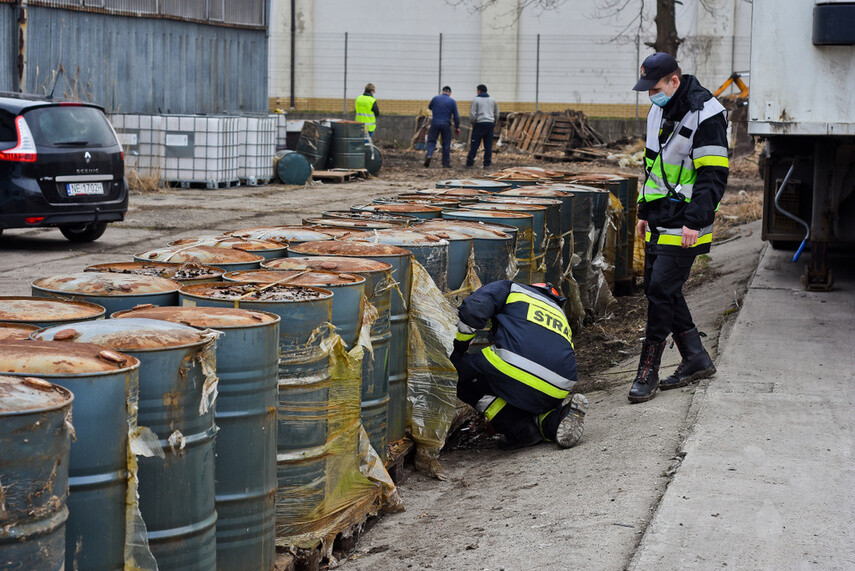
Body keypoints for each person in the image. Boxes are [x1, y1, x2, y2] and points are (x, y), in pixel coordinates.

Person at [628, 52, 728, 403]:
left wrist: (694, 222)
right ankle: (696, 359)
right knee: (662, 290)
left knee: (659, 291)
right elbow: (653, 167)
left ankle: (647, 371)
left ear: (674, 80)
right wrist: (643, 209)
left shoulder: (707, 113)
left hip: (687, 222)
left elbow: (713, 174)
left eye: (655, 88)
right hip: (659, 218)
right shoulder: (659, 109)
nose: (650, 95)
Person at [450, 280, 589, 450]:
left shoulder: (511, 288)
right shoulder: (559, 314)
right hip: (559, 386)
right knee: (534, 402)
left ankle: (519, 429)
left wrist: (459, 348)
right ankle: (555, 419)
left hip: (515, 368)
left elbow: (474, 309)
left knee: (454, 372)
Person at [424, 86, 460, 168]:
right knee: (446, 143)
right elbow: (456, 116)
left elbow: (429, 107)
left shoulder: (435, 98)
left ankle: (429, 155)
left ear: (442, 91)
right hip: (446, 124)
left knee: (432, 141)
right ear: (449, 93)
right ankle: (446, 163)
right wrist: (457, 127)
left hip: (435, 123)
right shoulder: (452, 101)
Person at [466, 84, 499, 168]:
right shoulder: (492, 100)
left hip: (479, 124)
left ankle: (470, 162)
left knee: (475, 144)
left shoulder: (476, 100)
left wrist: (473, 123)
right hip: (489, 124)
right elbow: (497, 113)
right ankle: (487, 164)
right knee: (488, 145)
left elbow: (473, 114)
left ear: (479, 91)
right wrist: (494, 123)